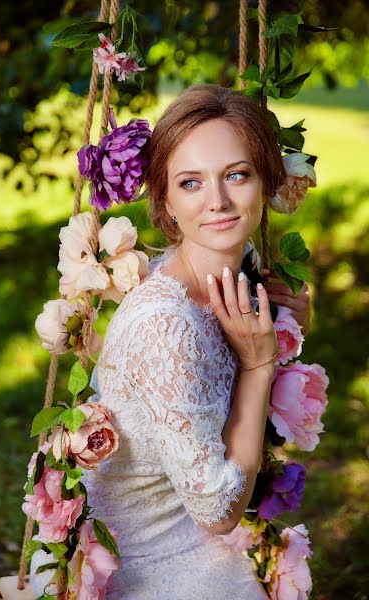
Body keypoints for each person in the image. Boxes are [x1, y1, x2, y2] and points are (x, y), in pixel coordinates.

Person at [84, 84, 311, 599]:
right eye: (191, 183)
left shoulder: (236, 271)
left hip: (196, 537)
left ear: (265, 180)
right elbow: (216, 513)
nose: (218, 202)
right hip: (148, 561)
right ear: (165, 197)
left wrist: (292, 326)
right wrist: (259, 367)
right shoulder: (167, 325)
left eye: (236, 174)